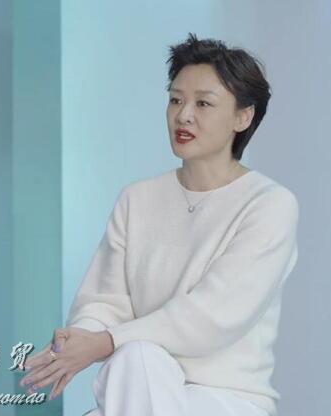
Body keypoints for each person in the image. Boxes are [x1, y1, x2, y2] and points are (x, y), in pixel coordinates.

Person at [21, 33, 299, 416]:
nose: (183, 115)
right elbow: (103, 301)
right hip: (138, 383)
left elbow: (212, 316)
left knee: (137, 356)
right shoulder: (137, 198)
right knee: (138, 359)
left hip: (225, 398)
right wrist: (80, 339)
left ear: (243, 116)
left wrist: (104, 342)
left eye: (203, 103)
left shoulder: (268, 204)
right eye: (175, 100)